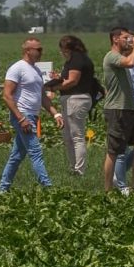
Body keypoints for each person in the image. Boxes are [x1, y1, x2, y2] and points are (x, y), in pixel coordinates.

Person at [0, 35, 54, 193]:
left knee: (16, 156)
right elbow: (7, 95)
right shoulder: (17, 68)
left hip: (32, 115)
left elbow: (42, 96)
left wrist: (55, 114)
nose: (42, 52)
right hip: (23, 115)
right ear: (28, 50)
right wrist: (21, 118)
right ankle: (48, 188)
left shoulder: (36, 70)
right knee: (36, 152)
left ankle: (3, 188)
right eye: (39, 49)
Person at [100, 28, 134, 195]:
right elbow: (131, 62)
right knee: (114, 151)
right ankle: (110, 190)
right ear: (115, 39)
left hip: (130, 109)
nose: (129, 40)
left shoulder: (123, 57)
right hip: (117, 109)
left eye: (131, 38)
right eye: (126, 37)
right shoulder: (111, 56)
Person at [52, 34, 99, 178]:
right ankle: (74, 168)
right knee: (68, 136)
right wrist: (59, 77)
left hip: (76, 99)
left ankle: (79, 170)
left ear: (67, 49)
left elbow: (72, 81)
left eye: (63, 50)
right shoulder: (77, 59)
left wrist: (53, 86)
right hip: (71, 99)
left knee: (76, 136)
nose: (62, 53)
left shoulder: (76, 59)